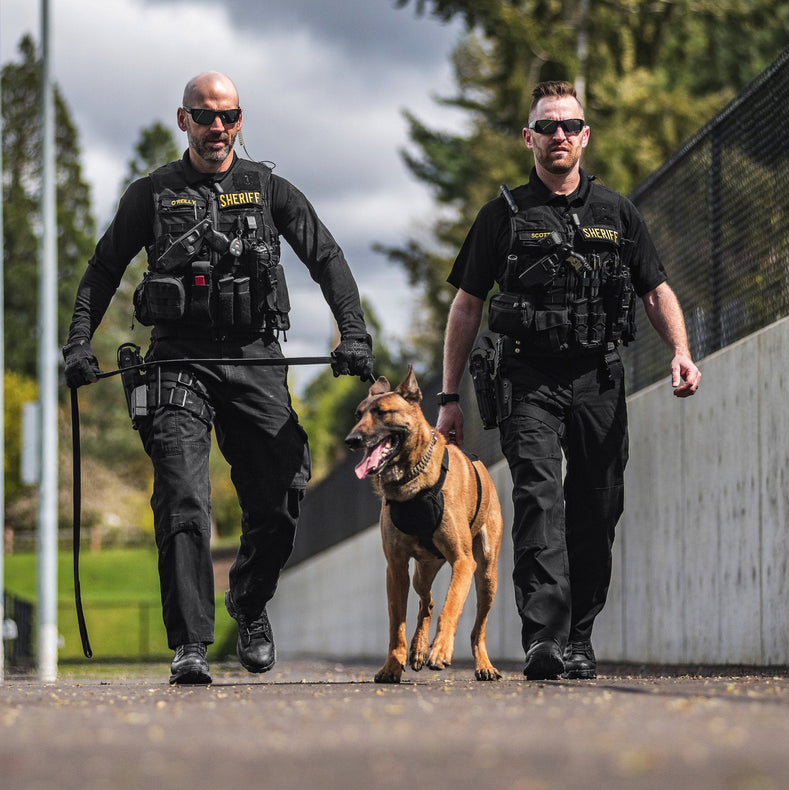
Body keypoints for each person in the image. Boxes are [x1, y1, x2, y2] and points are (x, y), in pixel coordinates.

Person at [63, 72, 373, 685]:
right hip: (177, 361)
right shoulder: (150, 195)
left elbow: (327, 258)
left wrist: (354, 333)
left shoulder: (268, 189)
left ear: (240, 120)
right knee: (182, 496)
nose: (217, 128)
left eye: (228, 116)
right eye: (204, 116)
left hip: (256, 357)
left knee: (282, 495)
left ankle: (250, 602)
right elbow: (102, 270)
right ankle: (191, 646)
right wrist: (76, 342)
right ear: (184, 121)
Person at [435, 80, 700, 681]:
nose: (558, 135)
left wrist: (681, 351)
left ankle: (580, 637)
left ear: (584, 137)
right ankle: (544, 639)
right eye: (547, 126)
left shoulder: (617, 213)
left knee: (596, 508)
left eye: (568, 126)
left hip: (599, 378)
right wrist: (449, 399)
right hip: (528, 378)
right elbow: (467, 307)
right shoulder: (501, 216)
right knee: (537, 500)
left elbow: (655, 290)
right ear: (528, 137)